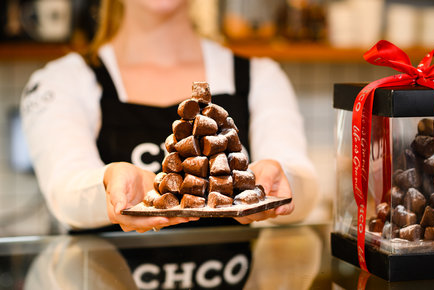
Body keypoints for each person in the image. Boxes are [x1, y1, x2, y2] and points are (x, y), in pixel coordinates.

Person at [20, 0, 318, 233]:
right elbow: (65, 192)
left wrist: (279, 180)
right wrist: (110, 187)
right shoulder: (62, 81)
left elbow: (303, 185)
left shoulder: (260, 76)